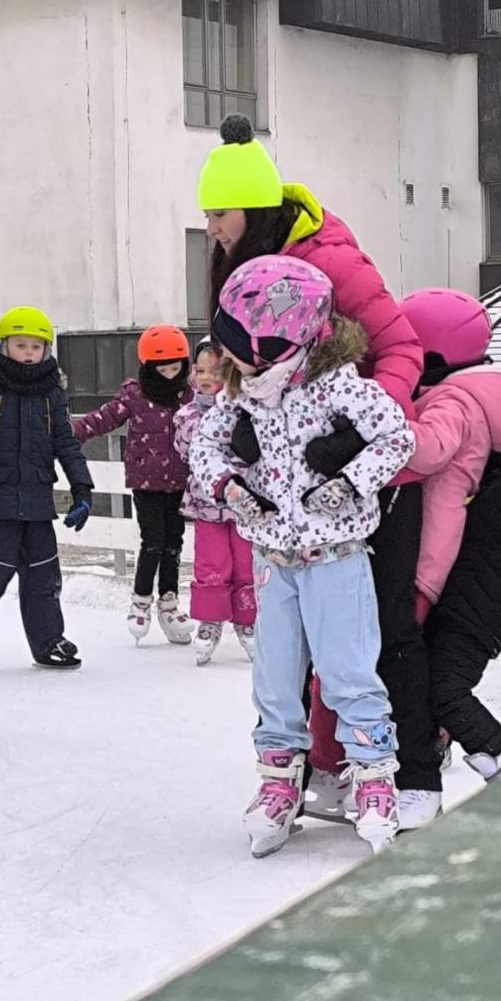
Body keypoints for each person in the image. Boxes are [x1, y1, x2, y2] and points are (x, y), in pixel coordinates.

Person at [195, 114, 439, 813]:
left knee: (378, 634)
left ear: (255, 209)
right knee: (290, 655)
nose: (211, 227)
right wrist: (244, 439)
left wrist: (350, 440)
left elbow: (402, 351)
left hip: (367, 477)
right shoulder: (249, 270)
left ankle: (406, 775)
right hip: (291, 498)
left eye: (219, 212)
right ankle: (315, 769)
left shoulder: (327, 260)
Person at [190, 257, 415, 856]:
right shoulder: (243, 392)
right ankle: (277, 780)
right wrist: (231, 487)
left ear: (283, 343)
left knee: (347, 672)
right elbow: (204, 445)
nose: (229, 360)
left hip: (336, 557)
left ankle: (372, 777)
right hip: (273, 560)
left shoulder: (340, 385)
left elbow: (398, 437)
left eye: (241, 348)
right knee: (275, 680)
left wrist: (350, 480)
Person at [398, 289, 501, 784]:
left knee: (439, 677)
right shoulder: (500, 390)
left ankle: (500, 765)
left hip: (476, 565)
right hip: (491, 565)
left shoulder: (453, 401)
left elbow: (435, 473)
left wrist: (377, 427)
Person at [0, 306, 94, 668]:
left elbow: (66, 443)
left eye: (36, 346)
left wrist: (82, 489)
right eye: (21, 345)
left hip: (36, 498)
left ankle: (48, 641)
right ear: (3, 346)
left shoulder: (52, 394)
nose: (29, 353)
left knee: (43, 572)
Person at [73, 325, 193, 645]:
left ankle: (169, 601)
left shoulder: (191, 395)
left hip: (181, 481)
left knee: (174, 543)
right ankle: (141, 599)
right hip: (147, 481)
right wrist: (72, 434)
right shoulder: (135, 395)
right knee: (152, 541)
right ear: (148, 368)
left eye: (175, 368)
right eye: (162, 369)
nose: (169, 375)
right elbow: (105, 418)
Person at [173, 338, 256, 664]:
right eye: (200, 370)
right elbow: (184, 452)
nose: (206, 378)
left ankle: (247, 621)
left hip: (242, 506)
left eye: (215, 371)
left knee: (245, 565)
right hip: (206, 505)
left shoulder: (246, 410)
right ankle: (209, 620)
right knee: (211, 565)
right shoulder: (187, 415)